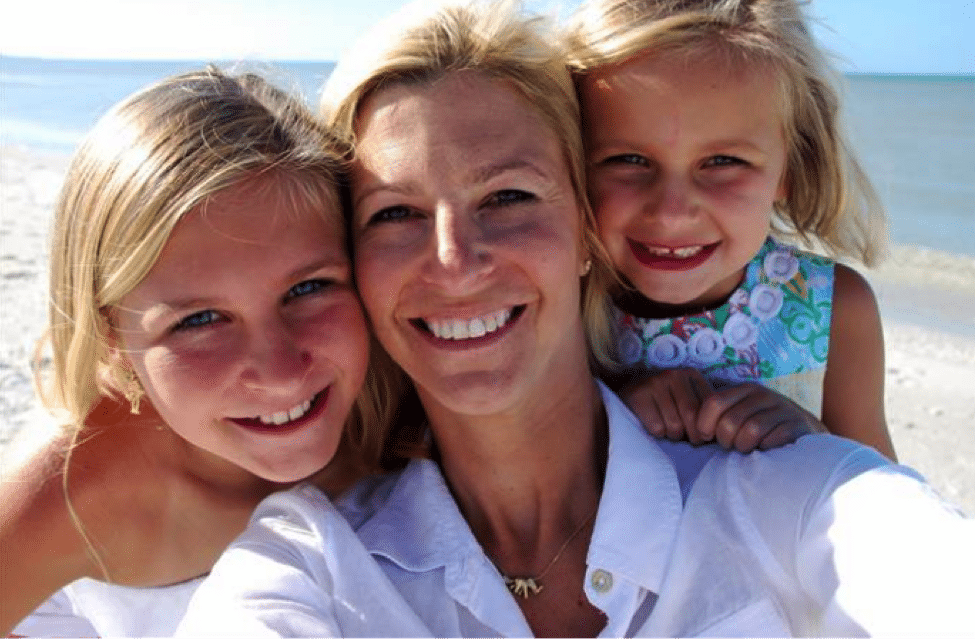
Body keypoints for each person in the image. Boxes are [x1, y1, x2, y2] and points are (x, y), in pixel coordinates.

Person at [175, 2, 973, 637]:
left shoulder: (793, 491)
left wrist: (807, 449)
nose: (455, 262)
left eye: (508, 197)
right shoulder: (310, 559)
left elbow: (899, 542)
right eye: (395, 213)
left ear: (584, 228)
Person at [1, 68, 398, 636]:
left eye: (308, 288)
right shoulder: (67, 492)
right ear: (110, 339)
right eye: (202, 321)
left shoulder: (401, 411)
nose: (281, 374)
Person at [565, 0, 896, 458]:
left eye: (723, 162)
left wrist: (813, 440)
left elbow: (884, 502)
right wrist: (610, 405)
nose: (671, 213)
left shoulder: (834, 310)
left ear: (792, 167)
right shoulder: (558, 302)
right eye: (628, 159)